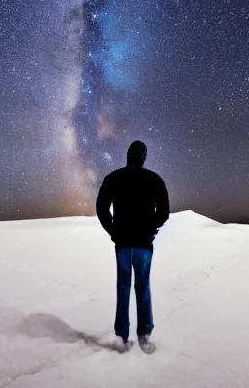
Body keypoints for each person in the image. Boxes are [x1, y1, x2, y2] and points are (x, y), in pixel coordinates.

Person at [96, 140, 170, 352]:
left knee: (123, 285)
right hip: (143, 244)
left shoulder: (113, 178)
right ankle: (144, 333)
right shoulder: (154, 179)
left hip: (122, 243)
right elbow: (164, 212)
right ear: (143, 157)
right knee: (142, 285)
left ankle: (122, 333)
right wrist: (150, 229)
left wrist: (114, 231)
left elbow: (101, 208)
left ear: (128, 155)